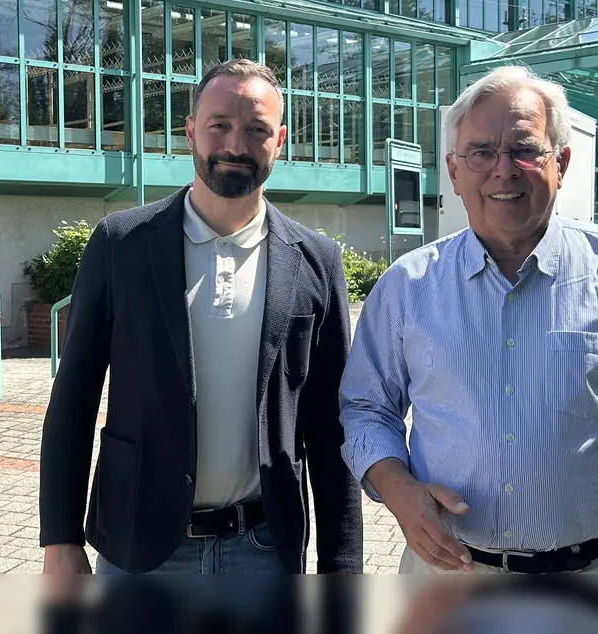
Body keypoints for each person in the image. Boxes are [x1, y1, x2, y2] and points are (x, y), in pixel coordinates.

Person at [339, 65, 598, 575]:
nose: (504, 169)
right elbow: (366, 408)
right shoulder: (407, 286)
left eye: (525, 149)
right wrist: (397, 488)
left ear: (560, 163)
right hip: (448, 581)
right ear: (454, 171)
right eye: (481, 152)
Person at [39, 58, 363, 575]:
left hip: (264, 551)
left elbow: (330, 426)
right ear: (191, 131)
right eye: (219, 125)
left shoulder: (316, 261)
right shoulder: (121, 245)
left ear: (279, 140)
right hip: (139, 552)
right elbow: (74, 398)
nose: (236, 144)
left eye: (256, 129)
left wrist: (342, 565)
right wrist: (60, 538)